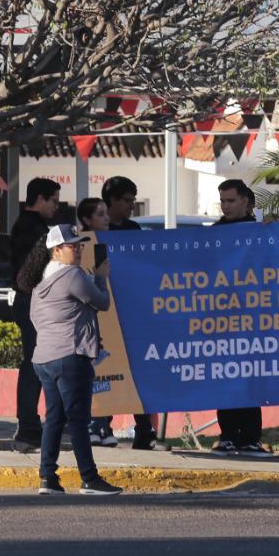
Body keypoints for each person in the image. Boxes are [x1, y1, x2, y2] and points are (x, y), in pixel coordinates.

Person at [29, 224, 123, 496]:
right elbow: (101, 302)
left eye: (80, 244)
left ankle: (47, 477)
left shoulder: (40, 282)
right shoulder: (72, 275)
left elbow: (36, 319)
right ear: (56, 250)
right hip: (70, 355)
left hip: (45, 357)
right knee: (79, 419)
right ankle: (89, 479)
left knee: (54, 419)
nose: (79, 249)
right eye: (73, 245)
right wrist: (101, 277)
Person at [210, 178, 269, 456]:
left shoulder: (261, 230)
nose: (226, 206)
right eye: (222, 201)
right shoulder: (214, 233)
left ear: (246, 202)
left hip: (255, 320)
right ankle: (228, 435)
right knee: (227, 377)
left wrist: (273, 231)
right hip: (224, 320)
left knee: (251, 377)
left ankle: (251, 438)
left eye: (231, 201)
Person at [100, 175, 155, 449]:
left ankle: (145, 430)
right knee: (106, 369)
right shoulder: (96, 232)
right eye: (128, 201)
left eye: (134, 201)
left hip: (132, 309)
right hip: (104, 310)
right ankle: (102, 427)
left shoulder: (134, 230)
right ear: (112, 201)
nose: (132, 206)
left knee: (139, 370)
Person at [10, 177, 61, 453]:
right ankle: (29, 427)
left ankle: (31, 426)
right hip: (32, 301)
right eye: (53, 200)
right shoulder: (33, 230)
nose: (56, 206)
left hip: (30, 301)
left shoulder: (30, 226)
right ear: (40, 198)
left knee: (35, 363)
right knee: (33, 364)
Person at [73, 197, 120, 448]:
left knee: (108, 371)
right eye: (100, 214)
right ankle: (90, 424)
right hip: (85, 323)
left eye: (106, 212)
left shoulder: (113, 243)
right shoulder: (79, 247)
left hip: (109, 322)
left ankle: (104, 425)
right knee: (88, 375)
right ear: (87, 220)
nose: (107, 218)